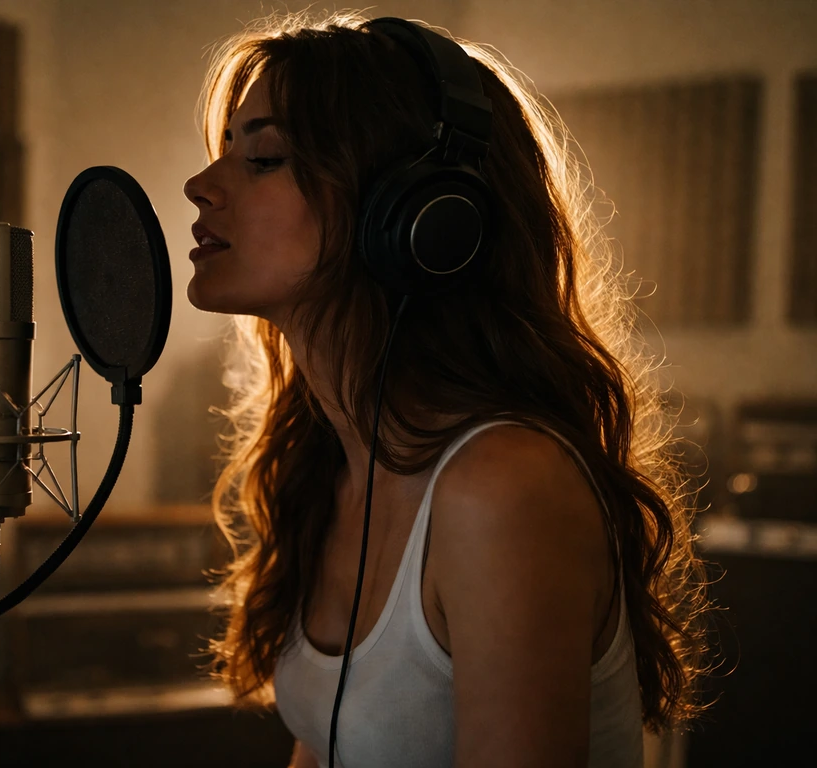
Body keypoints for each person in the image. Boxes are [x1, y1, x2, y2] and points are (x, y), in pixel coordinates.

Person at [182, 9, 709, 768]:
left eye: (264, 158)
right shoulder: (328, 469)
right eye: (226, 150)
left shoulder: (502, 487)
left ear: (420, 217)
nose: (201, 186)